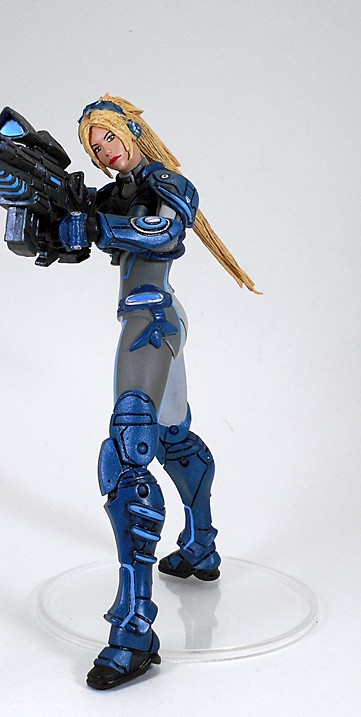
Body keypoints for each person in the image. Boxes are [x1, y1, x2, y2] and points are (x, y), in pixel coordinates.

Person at [58, 95, 258, 690]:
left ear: (132, 131)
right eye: (93, 146)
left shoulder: (166, 184)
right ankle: (200, 546)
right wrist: (38, 213)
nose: (102, 151)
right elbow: (67, 242)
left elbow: (165, 231)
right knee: (171, 438)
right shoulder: (111, 195)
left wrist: (94, 225)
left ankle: (134, 630)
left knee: (127, 451)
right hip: (150, 318)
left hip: (152, 319)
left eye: (107, 137)